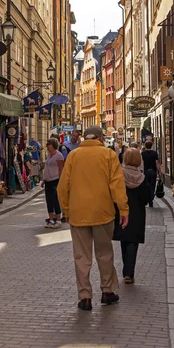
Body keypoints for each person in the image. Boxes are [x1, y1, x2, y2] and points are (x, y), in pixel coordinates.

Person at [58, 125, 129, 312]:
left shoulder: (73, 156)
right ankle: (107, 291)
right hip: (103, 212)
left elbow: (62, 187)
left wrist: (67, 210)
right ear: (100, 138)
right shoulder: (108, 155)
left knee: (82, 256)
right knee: (104, 253)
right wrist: (123, 209)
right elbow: (117, 185)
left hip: (78, 213)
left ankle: (85, 296)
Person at [113, 148, 150, 284]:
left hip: (122, 212)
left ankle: (126, 270)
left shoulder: (119, 175)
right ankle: (129, 272)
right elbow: (147, 198)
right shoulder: (142, 178)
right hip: (137, 214)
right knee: (133, 242)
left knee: (124, 240)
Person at [41, 138, 64, 228]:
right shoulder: (49, 155)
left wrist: (61, 180)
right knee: (49, 200)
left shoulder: (59, 156)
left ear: (53, 145)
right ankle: (50, 219)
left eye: (48, 145)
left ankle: (58, 219)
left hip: (55, 180)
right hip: (48, 181)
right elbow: (46, 168)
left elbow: (61, 168)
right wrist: (44, 180)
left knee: (55, 200)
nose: (47, 146)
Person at [141, 141, 161, 207]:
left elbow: (141, 164)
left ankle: (148, 199)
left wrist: (141, 172)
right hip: (153, 172)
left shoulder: (143, 153)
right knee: (152, 186)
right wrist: (159, 172)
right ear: (151, 146)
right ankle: (151, 200)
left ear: (145, 146)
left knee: (146, 186)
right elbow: (157, 163)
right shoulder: (154, 153)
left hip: (146, 172)